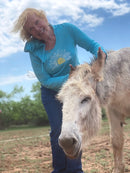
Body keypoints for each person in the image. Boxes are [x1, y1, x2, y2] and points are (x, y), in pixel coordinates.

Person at [12, 8, 107, 173]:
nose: (36, 29)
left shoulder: (67, 30)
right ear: (29, 34)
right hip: (51, 93)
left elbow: (92, 45)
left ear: (43, 17)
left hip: (73, 91)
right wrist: (70, 79)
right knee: (57, 129)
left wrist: (101, 56)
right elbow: (45, 80)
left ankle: (75, 170)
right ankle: (59, 169)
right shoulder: (33, 49)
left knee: (72, 127)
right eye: (31, 29)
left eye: (36, 22)